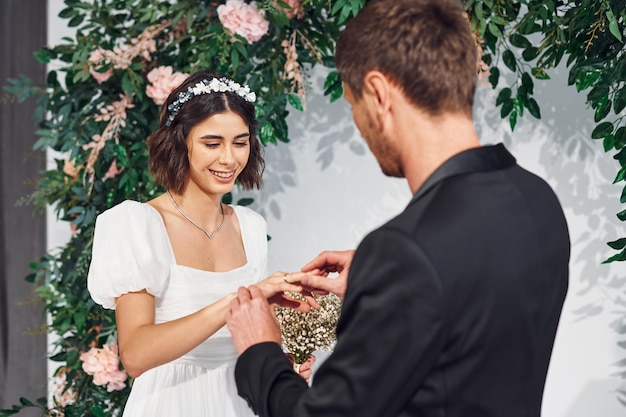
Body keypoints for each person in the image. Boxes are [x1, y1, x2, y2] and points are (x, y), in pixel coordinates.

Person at [225, 0, 571, 416]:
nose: (359, 126)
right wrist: (384, 290)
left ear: (378, 93)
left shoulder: (404, 250)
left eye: (353, 104)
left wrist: (260, 352)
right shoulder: (536, 198)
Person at [87, 69, 316, 417]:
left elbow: (248, 337)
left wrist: (280, 365)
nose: (229, 158)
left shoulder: (250, 228)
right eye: (212, 143)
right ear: (181, 142)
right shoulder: (136, 224)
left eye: (240, 142)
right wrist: (233, 303)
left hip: (240, 403)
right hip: (169, 403)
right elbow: (135, 355)